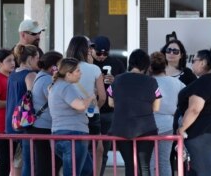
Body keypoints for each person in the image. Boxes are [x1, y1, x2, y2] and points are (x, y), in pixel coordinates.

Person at [107, 49, 162, 176]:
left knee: (129, 165)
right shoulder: (151, 81)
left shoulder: (117, 80)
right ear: (146, 65)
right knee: (144, 166)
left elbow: (110, 103)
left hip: (121, 127)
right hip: (146, 128)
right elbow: (157, 107)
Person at [177, 48, 211, 176]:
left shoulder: (203, 82)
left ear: (202, 62)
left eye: (193, 60)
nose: (192, 64)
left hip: (201, 132)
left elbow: (195, 109)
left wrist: (182, 128)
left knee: (202, 172)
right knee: (195, 170)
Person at [66, 35, 106, 175]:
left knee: (73, 150)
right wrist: (95, 108)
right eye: (89, 47)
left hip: (70, 115)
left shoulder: (64, 68)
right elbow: (102, 96)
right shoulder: (94, 69)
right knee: (96, 149)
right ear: (85, 49)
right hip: (91, 114)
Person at [48, 58, 94, 176]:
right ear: (68, 74)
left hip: (61, 134)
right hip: (72, 136)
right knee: (74, 172)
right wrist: (90, 98)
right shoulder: (66, 87)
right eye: (78, 71)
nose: (81, 73)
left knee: (87, 169)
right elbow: (80, 105)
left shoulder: (56, 86)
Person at [160, 39, 197, 176]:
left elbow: (196, 96)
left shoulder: (187, 74)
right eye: (168, 50)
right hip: (161, 120)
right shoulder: (156, 72)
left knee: (182, 155)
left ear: (181, 55)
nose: (171, 53)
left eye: (175, 51)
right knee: (164, 157)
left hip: (182, 119)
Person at [91, 36, 126, 175]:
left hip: (108, 111)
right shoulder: (87, 63)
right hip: (89, 111)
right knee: (88, 148)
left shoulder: (116, 63)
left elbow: (125, 84)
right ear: (92, 49)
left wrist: (115, 80)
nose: (101, 56)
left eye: (105, 53)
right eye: (99, 53)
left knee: (103, 149)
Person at [26, 51, 63, 176]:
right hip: (44, 128)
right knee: (47, 164)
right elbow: (56, 100)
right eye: (60, 64)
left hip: (40, 126)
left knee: (46, 162)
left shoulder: (40, 75)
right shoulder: (47, 79)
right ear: (53, 66)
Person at [149, 51, 185, 176]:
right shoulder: (176, 82)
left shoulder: (147, 82)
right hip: (168, 125)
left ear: (150, 67)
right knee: (164, 161)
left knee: (151, 161)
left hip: (149, 124)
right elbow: (186, 98)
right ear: (165, 65)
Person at [5, 44, 39, 176]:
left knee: (19, 162)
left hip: (12, 121)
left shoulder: (13, 74)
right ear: (30, 58)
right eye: (37, 58)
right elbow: (32, 98)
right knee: (29, 162)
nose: (39, 61)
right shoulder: (30, 75)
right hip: (25, 122)